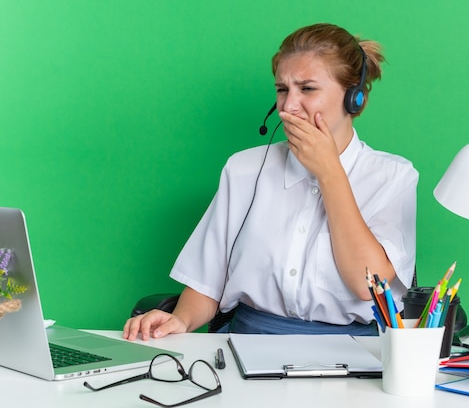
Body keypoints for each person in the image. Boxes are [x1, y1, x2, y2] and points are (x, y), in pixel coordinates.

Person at [123, 23, 418, 340]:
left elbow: (367, 285)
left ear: (355, 100)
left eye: (307, 89)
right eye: (282, 89)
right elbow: (207, 283)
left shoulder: (393, 177)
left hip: (355, 353)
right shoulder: (244, 169)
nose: (288, 106)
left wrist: (330, 172)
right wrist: (179, 320)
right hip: (250, 343)